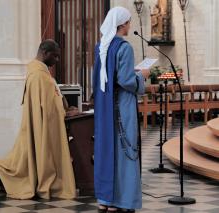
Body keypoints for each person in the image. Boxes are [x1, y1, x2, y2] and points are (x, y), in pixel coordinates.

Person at [0, 39, 76, 199]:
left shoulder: (40, 73)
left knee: (22, 160)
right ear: (45, 53)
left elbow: (50, 102)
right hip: (39, 127)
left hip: (37, 126)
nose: (57, 60)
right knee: (21, 165)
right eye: (55, 56)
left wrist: (65, 107)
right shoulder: (39, 76)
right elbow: (48, 109)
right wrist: (65, 113)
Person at [93, 6, 150, 213]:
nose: (129, 26)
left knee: (108, 150)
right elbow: (126, 80)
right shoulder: (124, 48)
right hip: (122, 106)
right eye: (128, 22)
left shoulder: (101, 46)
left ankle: (105, 200)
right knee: (126, 150)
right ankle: (123, 200)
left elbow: (105, 76)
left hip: (105, 105)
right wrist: (141, 76)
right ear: (122, 24)